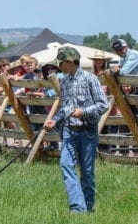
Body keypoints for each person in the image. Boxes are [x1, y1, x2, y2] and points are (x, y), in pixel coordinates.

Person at [44, 46, 109, 213]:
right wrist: (55, 120)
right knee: (65, 164)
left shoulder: (90, 79)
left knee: (87, 172)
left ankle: (88, 207)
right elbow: (66, 107)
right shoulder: (64, 81)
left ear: (70, 61)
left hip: (88, 131)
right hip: (69, 131)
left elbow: (103, 105)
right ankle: (77, 209)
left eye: (61, 62)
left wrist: (84, 112)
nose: (59, 66)